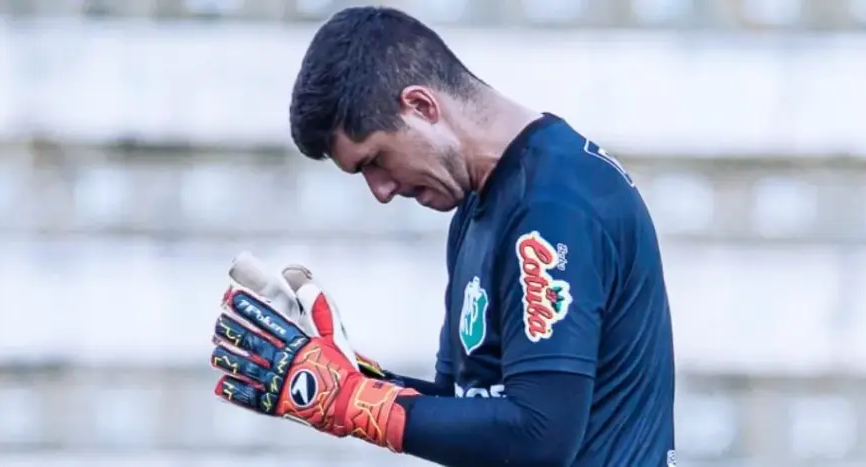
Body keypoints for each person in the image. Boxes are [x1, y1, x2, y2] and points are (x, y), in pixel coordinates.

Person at [208, 5, 676, 466]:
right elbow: (468, 411)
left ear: (421, 106)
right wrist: (351, 380)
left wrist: (353, 402)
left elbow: (540, 435)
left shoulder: (555, 205)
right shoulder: (478, 206)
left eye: (374, 161)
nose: (381, 191)